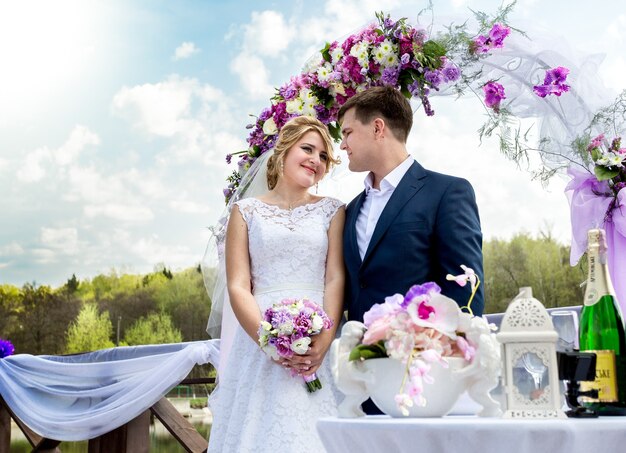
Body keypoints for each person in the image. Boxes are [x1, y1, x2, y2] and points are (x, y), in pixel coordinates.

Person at [338, 86, 484, 412]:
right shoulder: (348, 212)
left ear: (378, 128)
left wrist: (439, 363)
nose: (342, 144)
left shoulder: (447, 192)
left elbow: (467, 290)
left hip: (426, 385)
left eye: (347, 132)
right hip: (364, 385)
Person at [207, 116, 345, 453]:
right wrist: (267, 341)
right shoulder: (246, 211)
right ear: (283, 150)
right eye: (308, 148)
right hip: (258, 340)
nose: (316, 159)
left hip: (319, 335)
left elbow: (335, 276)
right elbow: (239, 285)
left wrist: (324, 341)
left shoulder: (333, 210)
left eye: (324, 156)